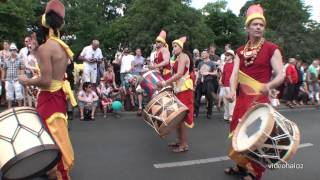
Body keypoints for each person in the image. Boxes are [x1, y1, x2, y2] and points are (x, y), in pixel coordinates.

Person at [225, 4, 284, 180]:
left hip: (259, 101)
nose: (258, 27)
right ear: (247, 27)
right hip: (243, 98)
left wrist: (270, 85)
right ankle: (241, 166)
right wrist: (232, 91)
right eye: (255, 24)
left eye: (261, 25)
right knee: (238, 133)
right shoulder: (239, 51)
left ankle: (255, 172)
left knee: (256, 138)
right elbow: (235, 73)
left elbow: (280, 74)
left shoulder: (272, 48)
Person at [18, 0, 74, 179]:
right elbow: (54, 72)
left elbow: (46, 81)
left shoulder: (46, 48)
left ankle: (57, 173)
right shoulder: (61, 46)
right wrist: (35, 52)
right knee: (56, 138)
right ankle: (53, 171)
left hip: (49, 100)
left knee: (52, 139)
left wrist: (27, 81)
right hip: (58, 98)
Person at [158, 36, 194, 153]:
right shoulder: (178, 57)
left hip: (184, 90)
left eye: (175, 46)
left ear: (181, 47)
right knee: (178, 118)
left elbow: (178, 75)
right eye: (172, 46)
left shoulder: (183, 56)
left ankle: (184, 144)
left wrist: (165, 83)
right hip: (179, 90)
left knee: (181, 118)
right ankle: (179, 140)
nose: (173, 48)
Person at [194, 49, 218, 119]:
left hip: (208, 82)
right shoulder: (200, 63)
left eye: (204, 53)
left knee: (209, 98)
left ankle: (209, 113)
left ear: (208, 54)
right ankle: (196, 112)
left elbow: (216, 73)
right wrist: (195, 81)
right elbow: (198, 72)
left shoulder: (212, 63)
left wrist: (208, 73)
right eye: (202, 53)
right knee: (197, 98)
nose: (202, 54)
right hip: (200, 82)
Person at [2, 43, 25, 108]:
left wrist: (21, 78)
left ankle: (20, 109)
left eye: (14, 50)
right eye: (11, 50)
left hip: (17, 79)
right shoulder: (6, 60)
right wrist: (3, 78)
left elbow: (22, 69)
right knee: (9, 96)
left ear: (16, 50)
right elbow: (4, 69)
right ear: (9, 51)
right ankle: (10, 110)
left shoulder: (20, 59)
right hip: (8, 80)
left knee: (19, 95)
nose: (12, 51)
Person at [220, 49, 235, 122]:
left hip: (231, 85)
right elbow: (224, 74)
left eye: (228, 55)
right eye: (226, 55)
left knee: (231, 101)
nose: (226, 56)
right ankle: (226, 115)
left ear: (232, 56)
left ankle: (231, 115)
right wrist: (221, 81)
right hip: (225, 84)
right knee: (225, 101)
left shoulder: (234, 64)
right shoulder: (225, 64)